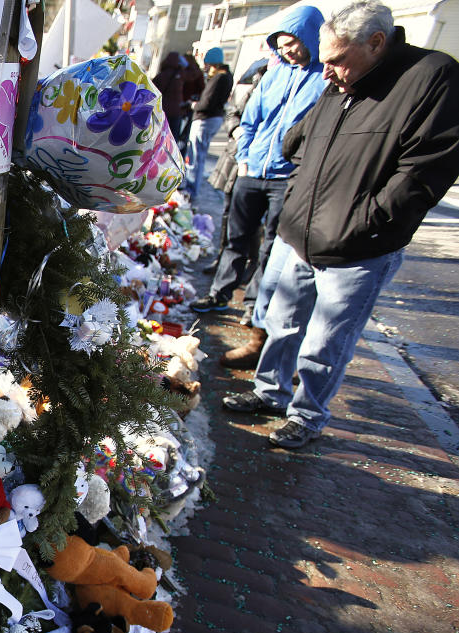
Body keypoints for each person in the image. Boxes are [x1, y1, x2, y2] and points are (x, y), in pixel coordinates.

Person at [222, 0, 459, 449]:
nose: (326, 71)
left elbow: (424, 171)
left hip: (358, 247)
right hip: (301, 233)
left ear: (375, 43)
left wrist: (366, 223)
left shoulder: (431, 77)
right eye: (324, 59)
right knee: (282, 322)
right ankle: (270, 391)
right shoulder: (340, 81)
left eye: (336, 61)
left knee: (326, 341)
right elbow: (300, 140)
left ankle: (307, 415)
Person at [190, 5, 327, 329]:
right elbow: (249, 119)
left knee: (271, 244)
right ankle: (219, 293)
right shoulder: (273, 75)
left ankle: (255, 304)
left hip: (287, 178)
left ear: (308, 37)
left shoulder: (323, 78)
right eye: (281, 46)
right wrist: (246, 158)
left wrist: (298, 168)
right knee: (236, 237)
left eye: (291, 43)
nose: (287, 51)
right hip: (252, 172)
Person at [181, 48, 233, 200]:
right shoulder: (227, 77)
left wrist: (193, 105)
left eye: (207, 64)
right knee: (199, 157)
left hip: (205, 118)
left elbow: (206, 102)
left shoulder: (219, 78)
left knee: (195, 158)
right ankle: (192, 190)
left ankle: (191, 192)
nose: (206, 68)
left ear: (213, 64)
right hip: (214, 118)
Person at [153, 52, 186, 141]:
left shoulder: (161, 76)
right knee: (173, 138)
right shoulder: (181, 75)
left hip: (162, 110)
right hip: (177, 110)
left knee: (159, 137)